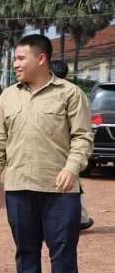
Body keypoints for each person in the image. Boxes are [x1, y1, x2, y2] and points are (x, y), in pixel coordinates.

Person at [0, 35, 93, 273]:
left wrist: (71, 167)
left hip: (60, 190)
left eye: (21, 58)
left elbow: (83, 137)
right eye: (15, 58)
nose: (15, 64)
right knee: (26, 251)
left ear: (41, 59)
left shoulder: (70, 94)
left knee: (63, 252)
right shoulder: (7, 98)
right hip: (19, 186)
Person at [49, 60, 94, 231]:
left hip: (46, 152)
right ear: (67, 76)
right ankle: (79, 220)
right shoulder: (75, 94)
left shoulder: (40, 94)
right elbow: (82, 131)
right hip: (67, 153)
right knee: (72, 185)